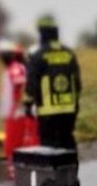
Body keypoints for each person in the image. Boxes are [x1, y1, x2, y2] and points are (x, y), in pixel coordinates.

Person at [24, 17, 82, 150]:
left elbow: (31, 84)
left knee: (49, 147)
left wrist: (29, 105)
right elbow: (78, 83)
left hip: (48, 112)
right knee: (67, 141)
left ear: (42, 34)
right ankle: (70, 169)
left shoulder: (38, 55)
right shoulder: (69, 54)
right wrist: (76, 104)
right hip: (69, 109)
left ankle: (54, 171)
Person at [0, 40, 36, 176]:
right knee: (18, 140)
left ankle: (16, 168)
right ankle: (19, 166)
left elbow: (22, 87)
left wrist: (18, 106)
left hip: (15, 111)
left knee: (14, 141)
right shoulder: (15, 68)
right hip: (14, 111)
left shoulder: (16, 69)